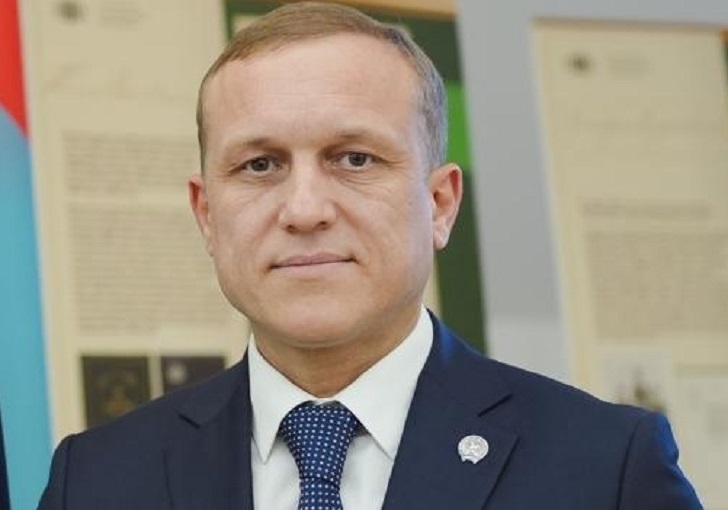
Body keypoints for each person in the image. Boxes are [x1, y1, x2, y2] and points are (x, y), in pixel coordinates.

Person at [38, 2, 702, 509]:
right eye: (260, 164)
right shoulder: (95, 481)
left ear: (439, 204)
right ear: (207, 214)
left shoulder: (606, 469)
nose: (304, 209)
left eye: (354, 158)